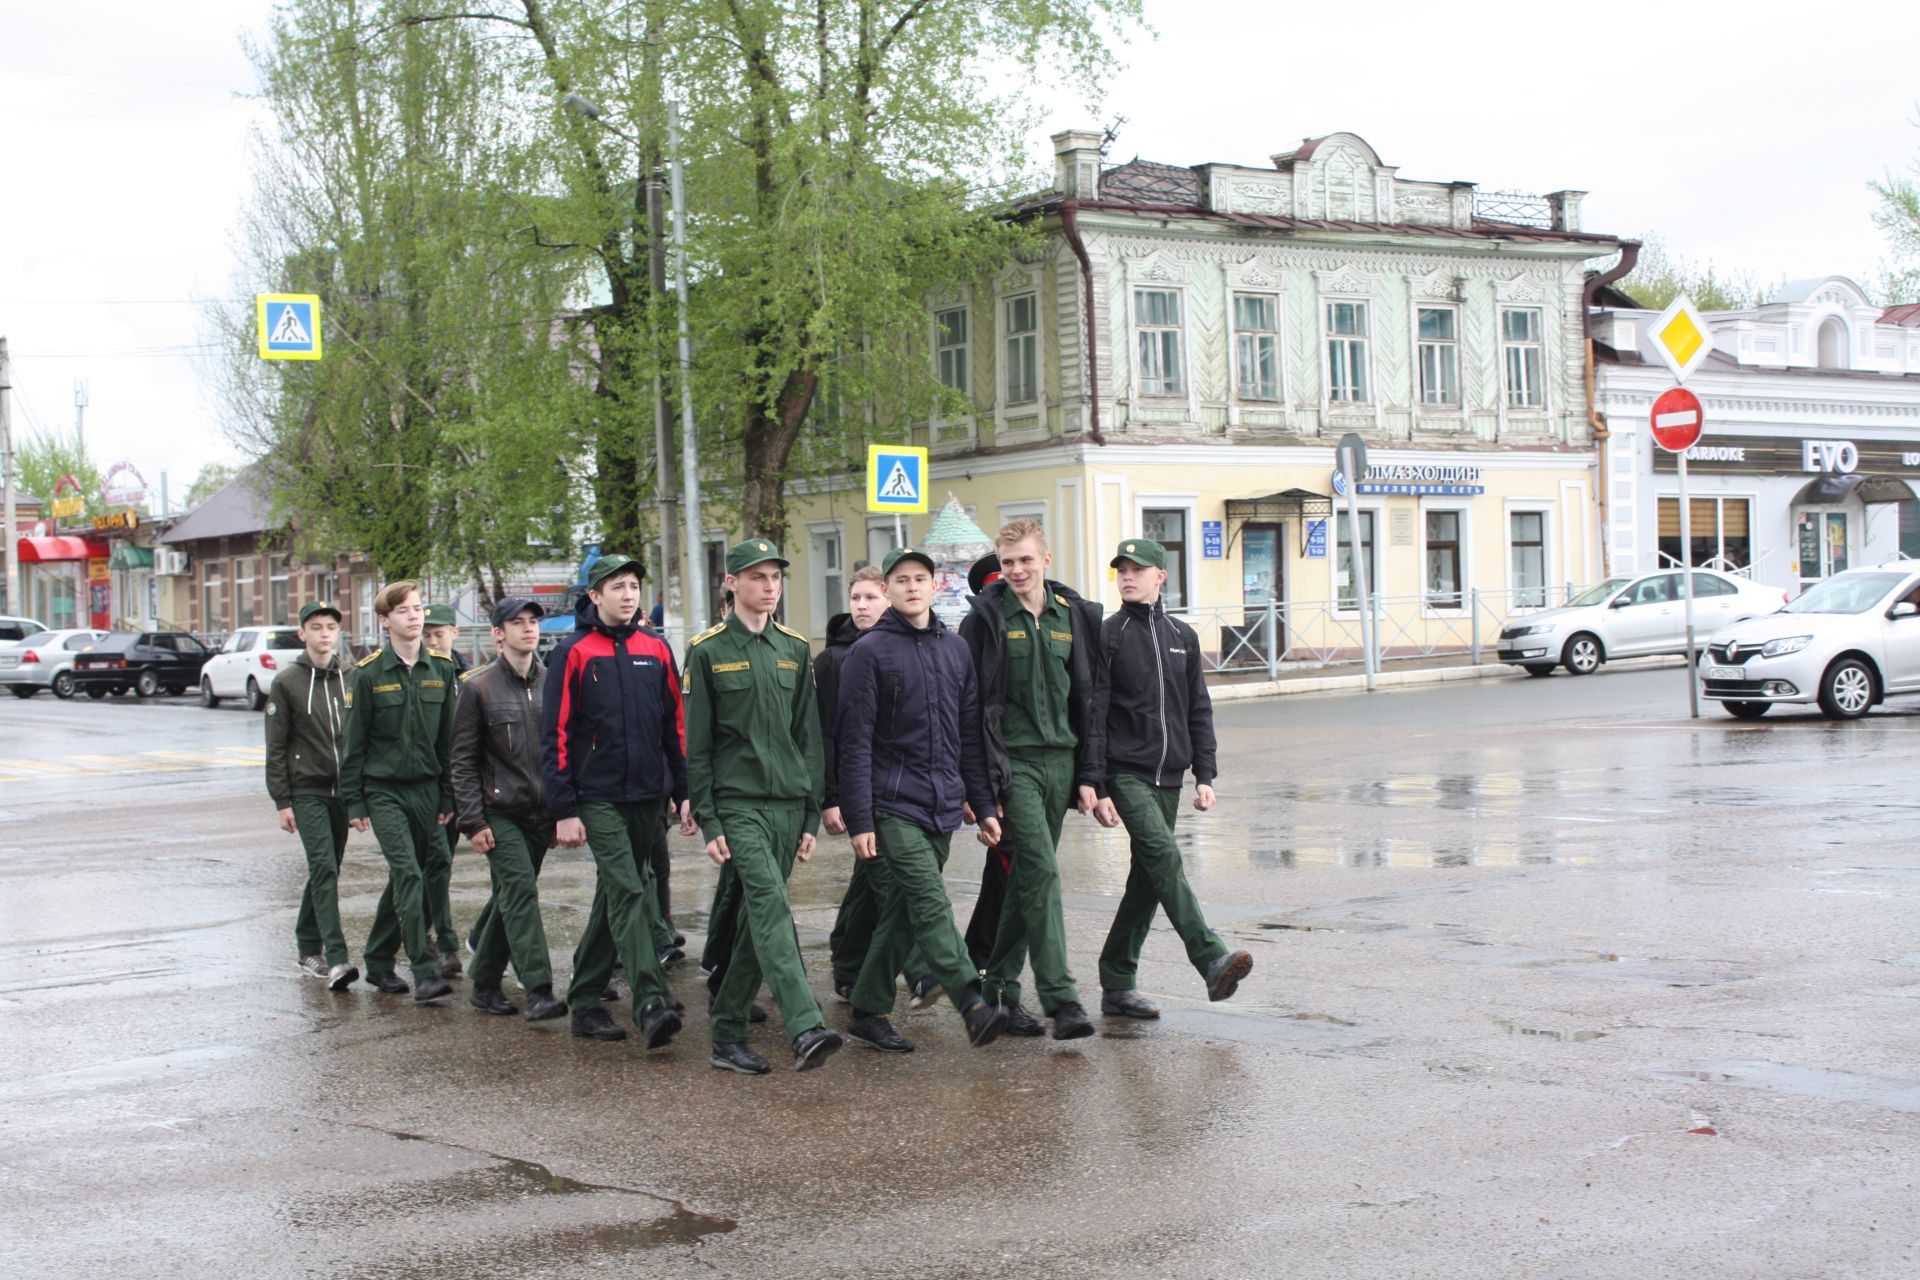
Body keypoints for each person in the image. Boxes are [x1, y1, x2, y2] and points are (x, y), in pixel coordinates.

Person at [838, 546, 1011, 1054]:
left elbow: (968, 738)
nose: (912, 587)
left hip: (942, 805)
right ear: (888, 590)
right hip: (891, 806)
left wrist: (982, 805)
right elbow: (854, 743)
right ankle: (971, 1002)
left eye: (921, 578)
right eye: (901, 580)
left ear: (935, 586)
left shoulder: (955, 650)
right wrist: (859, 818)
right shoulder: (867, 653)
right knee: (930, 904)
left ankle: (868, 1012)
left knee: (902, 910)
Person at [684, 539, 841, 1075]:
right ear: (732, 583)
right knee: (772, 909)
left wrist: (807, 813)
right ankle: (805, 1025)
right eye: (757, 577)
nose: (769, 586)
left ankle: (727, 1032)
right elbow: (698, 746)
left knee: (758, 922)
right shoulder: (706, 651)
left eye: (775, 577)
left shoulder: (793, 649)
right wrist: (708, 818)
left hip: (785, 807)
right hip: (738, 807)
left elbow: (808, 738)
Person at [1087, 539, 1253, 1018]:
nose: (1127, 577)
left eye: (1137, 570)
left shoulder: (1182, 634)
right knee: (1164, 856)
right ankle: (1210, 957)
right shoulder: (1110, 634)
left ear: (1161, 575)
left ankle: (1117, 983)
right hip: (1126, 773)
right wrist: (1096, 785)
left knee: (1148, 878)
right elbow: (1095, 712)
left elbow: (1198, 707)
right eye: (1121, 570)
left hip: (1170, 776)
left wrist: (1205, 773)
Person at [959, 518, 1104, 1040]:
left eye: (1025, 560)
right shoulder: (984, 621)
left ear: (1045, 561)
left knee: (1026, 880)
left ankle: (998, 989)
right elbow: (970, 711)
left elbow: (1087, 699)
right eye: (1007, 562)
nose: (1016, 570)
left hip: (1061, 764)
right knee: (1040, 871)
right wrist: (976, 791)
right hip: (1012, 765)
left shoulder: (1073, 617)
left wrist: (1091, 775)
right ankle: (1061, 999)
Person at [542, 554, 691, 1047]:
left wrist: (683, 790)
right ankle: (650, 999)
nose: (628, 595)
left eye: (633, 586)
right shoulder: (574, 652)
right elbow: (556, 734)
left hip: (647, 794)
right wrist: (563, 809)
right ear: (595, 595)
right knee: (630, 889)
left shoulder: (656, 647)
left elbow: (675, 725)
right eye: (617, 587)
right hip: (597, 795)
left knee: (619, 891)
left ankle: (584, 1000)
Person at [450, 597, 567, 1023]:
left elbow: (561, 751)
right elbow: (461, 761)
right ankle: (539, 989)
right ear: (498, 634)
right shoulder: (477, 688)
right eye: (517, 623)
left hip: (542, 812)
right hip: (499, 812)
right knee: (520, 891)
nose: (528, 629)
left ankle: (483, 981)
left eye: (533, 621)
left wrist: (563, 811)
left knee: (508, 898)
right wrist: (472, 820)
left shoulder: (553, 682)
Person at [822, 565, 935, 1006]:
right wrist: (832, 798)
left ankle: (848, 962)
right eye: (856, 598)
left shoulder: (901, 648)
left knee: (870, 883)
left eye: (870, 597)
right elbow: (831, 736)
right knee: (894, 881)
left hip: (897, 786)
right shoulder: (834, 659)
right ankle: (923, 970)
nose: (862, 606)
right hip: (860, 789)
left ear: (887, 599)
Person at [341, 581, 458, 1003]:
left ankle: (377, 958)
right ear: (385, 620)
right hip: (384, 789)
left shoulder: (442, 670)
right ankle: (423, 970)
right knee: (408, 872)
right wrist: (354, 800)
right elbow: (354, 744)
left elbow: (448, 742)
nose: (414, 616)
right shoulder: (369, 673)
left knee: (420, 871)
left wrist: (448, 795)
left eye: (418, 608)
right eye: (404, 610)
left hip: (427, 788)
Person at [266, 599, 357, 992]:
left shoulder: (351, 677)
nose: (324, 634)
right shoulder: (287, 682)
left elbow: (359, 739)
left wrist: (359, 797)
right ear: (302, 634)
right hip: (307, 790)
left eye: (330, 627)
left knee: (327, 868)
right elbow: (276, 746)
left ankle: (306, 947)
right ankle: (336, 957)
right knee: (324, 868)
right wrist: (282, 801)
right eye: (316, 627)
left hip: (343, 791)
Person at [422, 602, 468, 976]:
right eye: (427, 634)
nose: (433, 640)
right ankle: (441, 940)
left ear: (455, 633)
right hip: (434, 786)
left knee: (439, 863)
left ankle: (414, 930)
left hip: (466, 785)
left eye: (439, 633)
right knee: (436, 862)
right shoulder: (421, 674)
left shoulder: (469, 676)